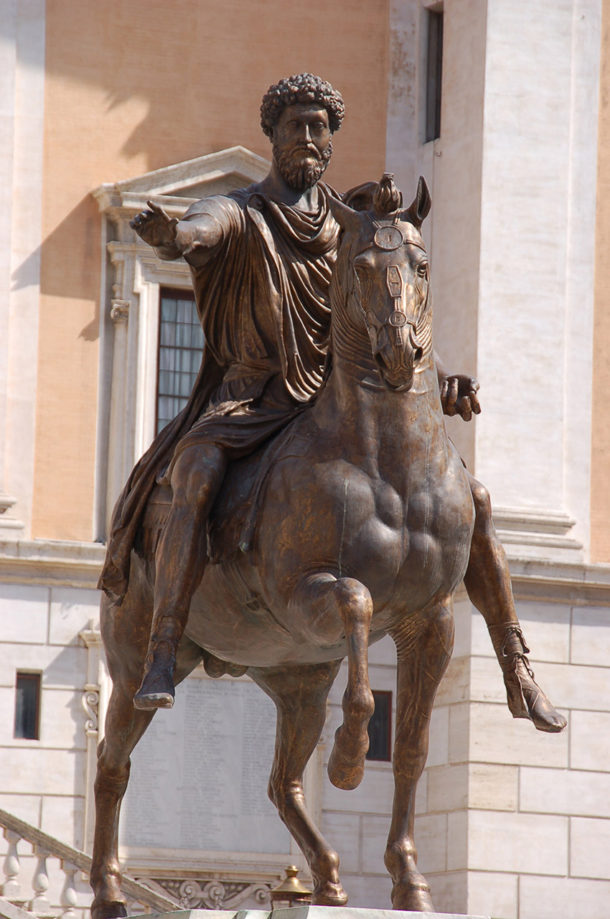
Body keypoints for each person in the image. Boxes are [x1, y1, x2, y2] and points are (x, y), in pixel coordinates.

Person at [98, 73, 565, 734]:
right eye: (298, 126)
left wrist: (443, 375)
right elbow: (205, 224)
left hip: (332, 398)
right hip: (250, 396)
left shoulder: (353, 231)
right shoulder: (245, 211)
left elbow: (389, 314)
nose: (311, 139)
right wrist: (177, 237)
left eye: (321, 128)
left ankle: (516, 662)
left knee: (474, 498)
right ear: (274, 135)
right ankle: (166, 645)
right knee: (195, 473)